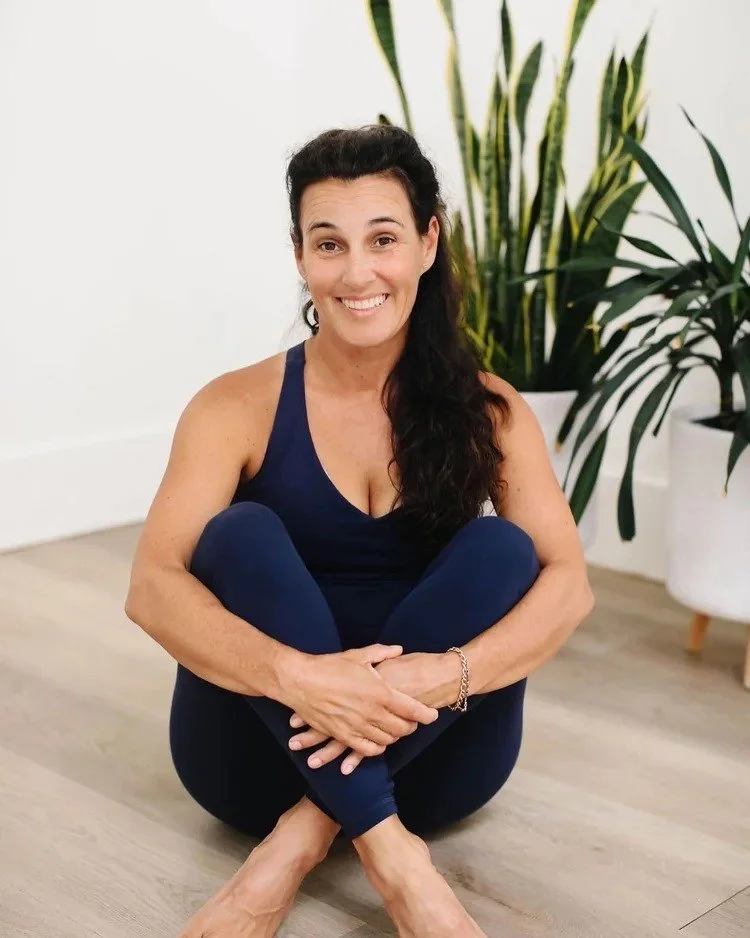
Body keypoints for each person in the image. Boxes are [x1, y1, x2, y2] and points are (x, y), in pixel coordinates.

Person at [125, 123, 594, 938]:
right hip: (248, 766)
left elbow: (569, 587)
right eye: (329, 244)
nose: (356, 272)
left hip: (436, 766)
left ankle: (300, 841)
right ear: (300, 256)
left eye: (382, 239)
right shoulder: (234, 405)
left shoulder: (490, 410)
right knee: (237, 536)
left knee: (503, 549)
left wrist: (442, 679)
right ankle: (399, 863)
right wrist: (298, 678)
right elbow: (151, 588)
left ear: (427, 242)